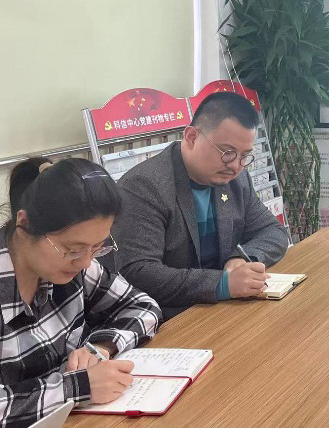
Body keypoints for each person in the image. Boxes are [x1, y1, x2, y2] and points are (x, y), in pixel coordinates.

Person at [0, 157, 162, 428]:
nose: (86, 262)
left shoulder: (73, 266)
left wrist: (101, 346)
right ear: (24, 224)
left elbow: (142, 306)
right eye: (73, 249)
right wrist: (74, 388)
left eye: (97, 247)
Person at [114, 91, 289, 319]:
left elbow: (274, 232)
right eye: (227, 152)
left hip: (222, 309)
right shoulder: (144, 186)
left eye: (244, 156)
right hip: (168, 318)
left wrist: (241, 258)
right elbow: (138, 272)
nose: (235, 165)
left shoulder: (235, 180)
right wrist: (222, 284)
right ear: (191, 137)